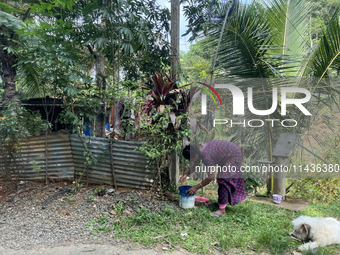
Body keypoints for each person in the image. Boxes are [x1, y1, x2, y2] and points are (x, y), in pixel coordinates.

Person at [180, 140, 247, 217]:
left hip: (233, 155)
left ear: (195, 156)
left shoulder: (206, 156)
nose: (190, 161)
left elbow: (211, 177)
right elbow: (196, 163)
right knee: (222, 178)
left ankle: (222, 211)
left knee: (223, 179)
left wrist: (196, 187)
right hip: (228, 154)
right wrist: (186, 174)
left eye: (190, 159)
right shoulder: (198, 149)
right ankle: (221, 203)